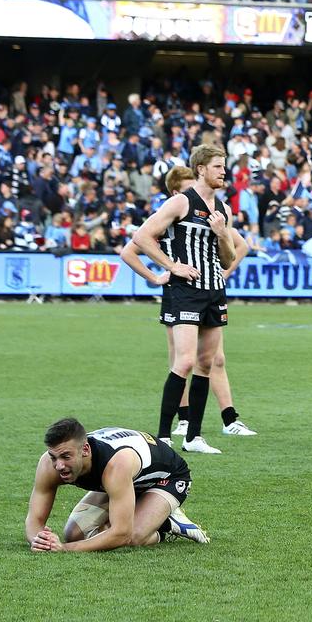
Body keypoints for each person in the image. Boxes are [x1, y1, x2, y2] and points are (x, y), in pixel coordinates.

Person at [121, 167, 257, 439]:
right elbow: (130, 250)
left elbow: (239, 247)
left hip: (208, 289)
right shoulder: (173, 213)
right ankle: (180, 423)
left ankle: (223, 419)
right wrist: (158, 275)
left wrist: (222, 272)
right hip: (179, 291)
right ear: (175, 193)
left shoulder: (214, 210)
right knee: (181, 359)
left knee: (212, 359)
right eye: (186, 189)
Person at [132, 146, 236, 455]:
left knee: (206, 363)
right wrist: (171, 265)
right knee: (186, 360)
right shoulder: (180, 201)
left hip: (214, 288)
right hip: (185, 290)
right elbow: (141, 236)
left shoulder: (223, 209)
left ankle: (193, 437)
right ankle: (163, 437)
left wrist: (221, 234)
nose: (223, 171)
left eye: (224, 166)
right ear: (201, 169)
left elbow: (228, 260)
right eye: (218, 166)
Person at [25, 418, 209, 552]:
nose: (59, 465)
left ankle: (167, 525)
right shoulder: (48, 464)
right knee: (74, 533)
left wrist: (65, 549)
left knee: (133, 536)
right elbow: (35, 519)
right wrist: (39, 541)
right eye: (54, 457)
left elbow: (121, 533)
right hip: (125, 480)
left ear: (85, 450)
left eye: (66, 457)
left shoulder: (115, 465)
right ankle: (144, 511)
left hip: (169, 478)